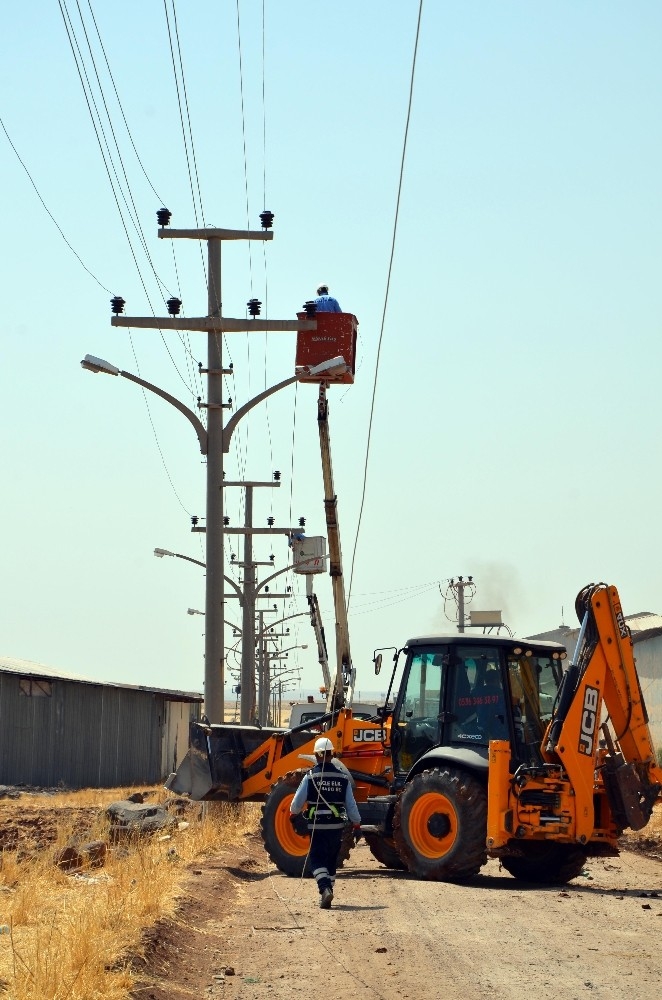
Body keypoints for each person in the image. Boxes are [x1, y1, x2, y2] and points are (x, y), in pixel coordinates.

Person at [289, 736, 361, 908]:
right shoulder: (343, 778)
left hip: (317, 826)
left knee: (316, 859)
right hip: (336, 827)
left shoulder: (310, 777)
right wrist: (357, 824)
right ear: (332, 754)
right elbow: (351, 806)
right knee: (331, 860)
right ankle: (328, 891)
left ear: (316, 755)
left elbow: (296, 804)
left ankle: (325, 889)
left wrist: (293, 815)